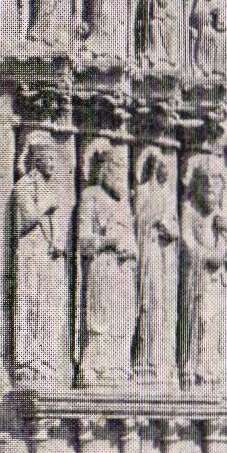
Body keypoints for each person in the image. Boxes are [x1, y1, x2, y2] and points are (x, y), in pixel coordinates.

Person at [77, 143, 138, 385]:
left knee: (124, 316)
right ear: (104, 170)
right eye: (117, 170)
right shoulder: (90, 195)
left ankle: (119, 367)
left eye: (124, 171)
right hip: (101, 266)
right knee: (100, 316)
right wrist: (108, 242)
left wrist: (129, 248)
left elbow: (133, 241)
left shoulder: (123, 204)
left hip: (123, 270)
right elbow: (83, 241)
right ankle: (93, 368)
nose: (121, 177)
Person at [11, 131, 69, 384]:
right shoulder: (24, 185)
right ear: (36, 159)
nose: (53, 163)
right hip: (30, 254)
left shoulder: (49, 188)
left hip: (47, 257)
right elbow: (23, 221)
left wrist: (59, 244)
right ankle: (28, 360)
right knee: (30, 301)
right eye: (49, 158)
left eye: (55, 159)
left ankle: (46, 359)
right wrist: (46, 206)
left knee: (47, 306)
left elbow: (57, 224)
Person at [180, 163, 227, 388]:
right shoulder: (189, 212)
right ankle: (195, 372)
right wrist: (207, 256)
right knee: (200, 321)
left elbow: (221, 256)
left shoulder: (219, 218)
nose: (210, 185)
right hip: (197, 281)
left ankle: (212, 372)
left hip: (215, 283)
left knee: (215, 325)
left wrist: (222, 234)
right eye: (205, 181)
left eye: (216, 182)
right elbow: (188, 245)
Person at [134, 149, 180, 384]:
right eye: (164, 167)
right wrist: (154, 224)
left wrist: (169, 230)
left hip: (166, 258)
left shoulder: (170, 196)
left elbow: (176, 229)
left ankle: (164, 364)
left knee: (165, 305)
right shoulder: (143, 192)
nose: (168, 172)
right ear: (154, 168)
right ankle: (146, 363)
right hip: (150, 252)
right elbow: (139, 223)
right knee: (151, 303)